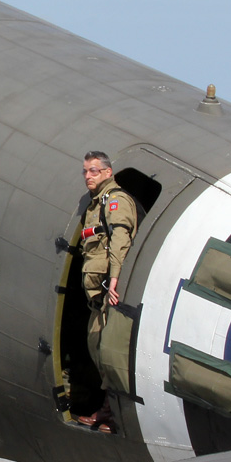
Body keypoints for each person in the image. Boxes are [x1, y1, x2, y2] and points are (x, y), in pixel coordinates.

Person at [77, 151, 137, 433]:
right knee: (96, 348)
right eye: (86, 171)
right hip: (97, 297)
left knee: (108, 354)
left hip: (107, 292)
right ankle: (106, 410)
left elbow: (120, 239)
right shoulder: (96, 203)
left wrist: (113, 278)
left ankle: (112, 415)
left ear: (108, 173)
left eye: (94, 171)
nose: (88, 176)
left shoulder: (115, 201)